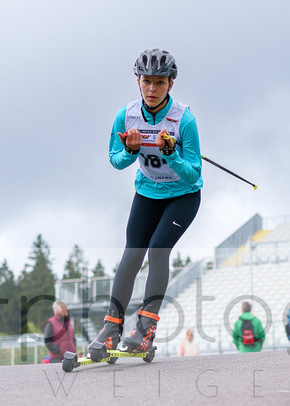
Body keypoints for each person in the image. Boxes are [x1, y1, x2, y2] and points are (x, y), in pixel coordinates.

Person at [87, 48, 203, 361]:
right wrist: (130, 150)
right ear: (138, 80)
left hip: (183, 196)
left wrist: (171, 154)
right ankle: (111, 327)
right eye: (146, 81)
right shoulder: (125, 116)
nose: (152, 89)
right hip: (148, 193)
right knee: (132, 253)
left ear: (171, 84)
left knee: (158, 249)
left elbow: (194, 173)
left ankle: (145, 327)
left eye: (160, 83)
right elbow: (115, 160)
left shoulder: (184, 120)